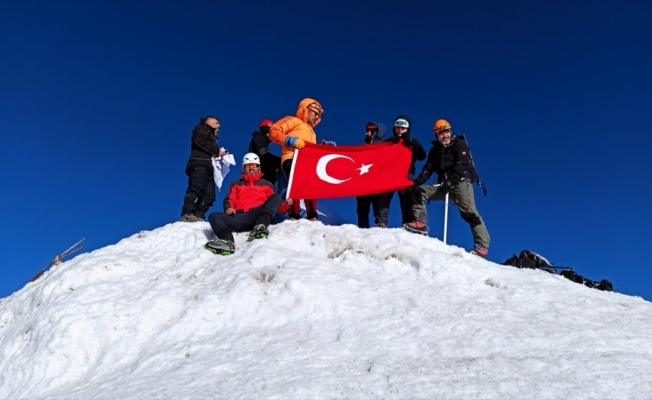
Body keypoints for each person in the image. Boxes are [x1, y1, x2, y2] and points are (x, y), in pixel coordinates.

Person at [403, 119, 491, 258]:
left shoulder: (459, 144)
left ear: (450, 132)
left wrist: (450, 180)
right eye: (441, 133)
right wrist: (416, 182)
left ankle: (482, 245)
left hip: (460, 182)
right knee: (418, 192)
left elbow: (462, 163)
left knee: (469, 212)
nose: (445, 135)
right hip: (444, 185)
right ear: (437, 135)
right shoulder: (435, 150)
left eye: (446, 132)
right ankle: (421, 223)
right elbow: (428, 169)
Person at [204, 153, 282, 255]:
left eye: (254, 166)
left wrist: (287, 204)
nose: (251, 168)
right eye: (248, 166)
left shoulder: (267, 184)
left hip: (258, 215)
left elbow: (273, 204)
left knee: (277, 196)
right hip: (240, 217)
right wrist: (228, 207)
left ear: (259, 168)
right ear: (244, 168)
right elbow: (228, 199)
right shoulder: (236, 184)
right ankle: (227, 241)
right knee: (214, 216)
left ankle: (260, 227)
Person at [268, 98, 325, 221]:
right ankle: (294, 215)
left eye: (318, 115)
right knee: (296, 184)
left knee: (310, 186)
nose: (316, 117)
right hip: (292, 157)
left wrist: (323, 148)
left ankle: (312, 216)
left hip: (307, 161)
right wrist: (290, 140)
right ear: (306, 110)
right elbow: (273, 131)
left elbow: (309, 149)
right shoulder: (293, 120)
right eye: (315, 113)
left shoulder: (312, 132)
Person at [376, 115, 426, 227]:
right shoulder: (389, 141)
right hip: (389, 173)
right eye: (397, 128)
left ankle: (408, 223)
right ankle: (381, 222)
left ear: (407, 129)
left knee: (407, 198)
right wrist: (388, 143)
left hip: (406, 173)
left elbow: (422, 156)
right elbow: (378, 156)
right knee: (383, 198)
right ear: (394, 129)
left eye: (402, 128)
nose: (400, 130)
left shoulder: (412, 143)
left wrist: (415, 144)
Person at [180, 116, 226, 222]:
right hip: (199, 163)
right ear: (209, 122)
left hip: (209, 168)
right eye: (217, 122)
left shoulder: (212, 135)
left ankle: (198, 215)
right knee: (197, 187)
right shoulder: (202, 129)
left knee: (209, 194)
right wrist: (216, 151)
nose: (219, 125)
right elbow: (199, 140)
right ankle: (187, 213)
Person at [356, 122, 386, 228]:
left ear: (376, 132)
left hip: (377, 182)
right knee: (362, 208)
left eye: (370, 130)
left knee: (378, 207)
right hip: (363, 182)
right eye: (367, 130)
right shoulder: (365, 147)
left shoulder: (384, 146)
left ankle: (379, 231)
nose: (366, 133)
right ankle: (363, 230)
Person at [248, 119, 281, 185]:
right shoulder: (259, 137)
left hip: (264, 179)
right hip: (261, 178)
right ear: (267, 130)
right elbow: (264, 155)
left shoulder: (261, 140)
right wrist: (281, 162)